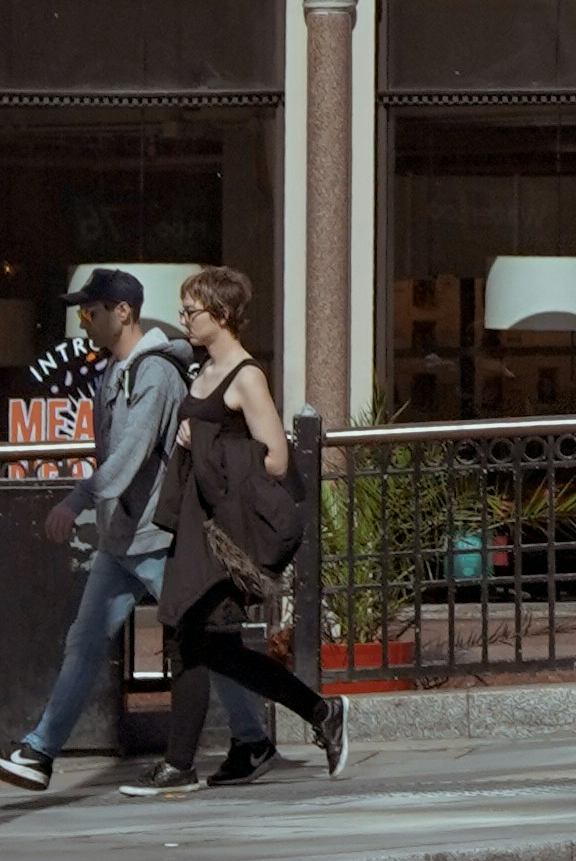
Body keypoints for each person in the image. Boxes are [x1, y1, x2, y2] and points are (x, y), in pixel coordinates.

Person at [0, 268, 196, 798]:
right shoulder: (113, 371)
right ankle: (40, 751)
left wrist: (76, 499)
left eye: (92, 311)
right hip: (121, 541)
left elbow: (128, 458)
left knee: (208, 646)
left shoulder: (154, 374)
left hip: (156, 540)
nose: (84, 321)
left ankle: (269, 729)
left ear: (123, 313)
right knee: (85, 644)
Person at [148, 268, 345, 790]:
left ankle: (180, 766)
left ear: (222, 314)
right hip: (201, 526)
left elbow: (278, 459)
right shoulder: (202, 371)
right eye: (184, 309)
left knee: (191, 637)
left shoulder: (246, 376)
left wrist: (204, 445)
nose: (185, 318)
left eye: (192, 310)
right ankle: (309, 719)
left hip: (225, 537)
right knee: (208, 645)